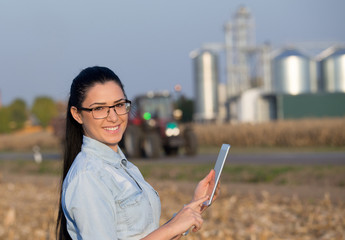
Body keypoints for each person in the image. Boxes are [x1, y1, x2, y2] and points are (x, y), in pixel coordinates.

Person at [56, 66, 219, 240]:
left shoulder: (123, 167)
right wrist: (173, 226)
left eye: (119, 105)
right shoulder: (88, 176)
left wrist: (193, 209)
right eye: (99, 109)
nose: (113, 117)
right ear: (77, 114)